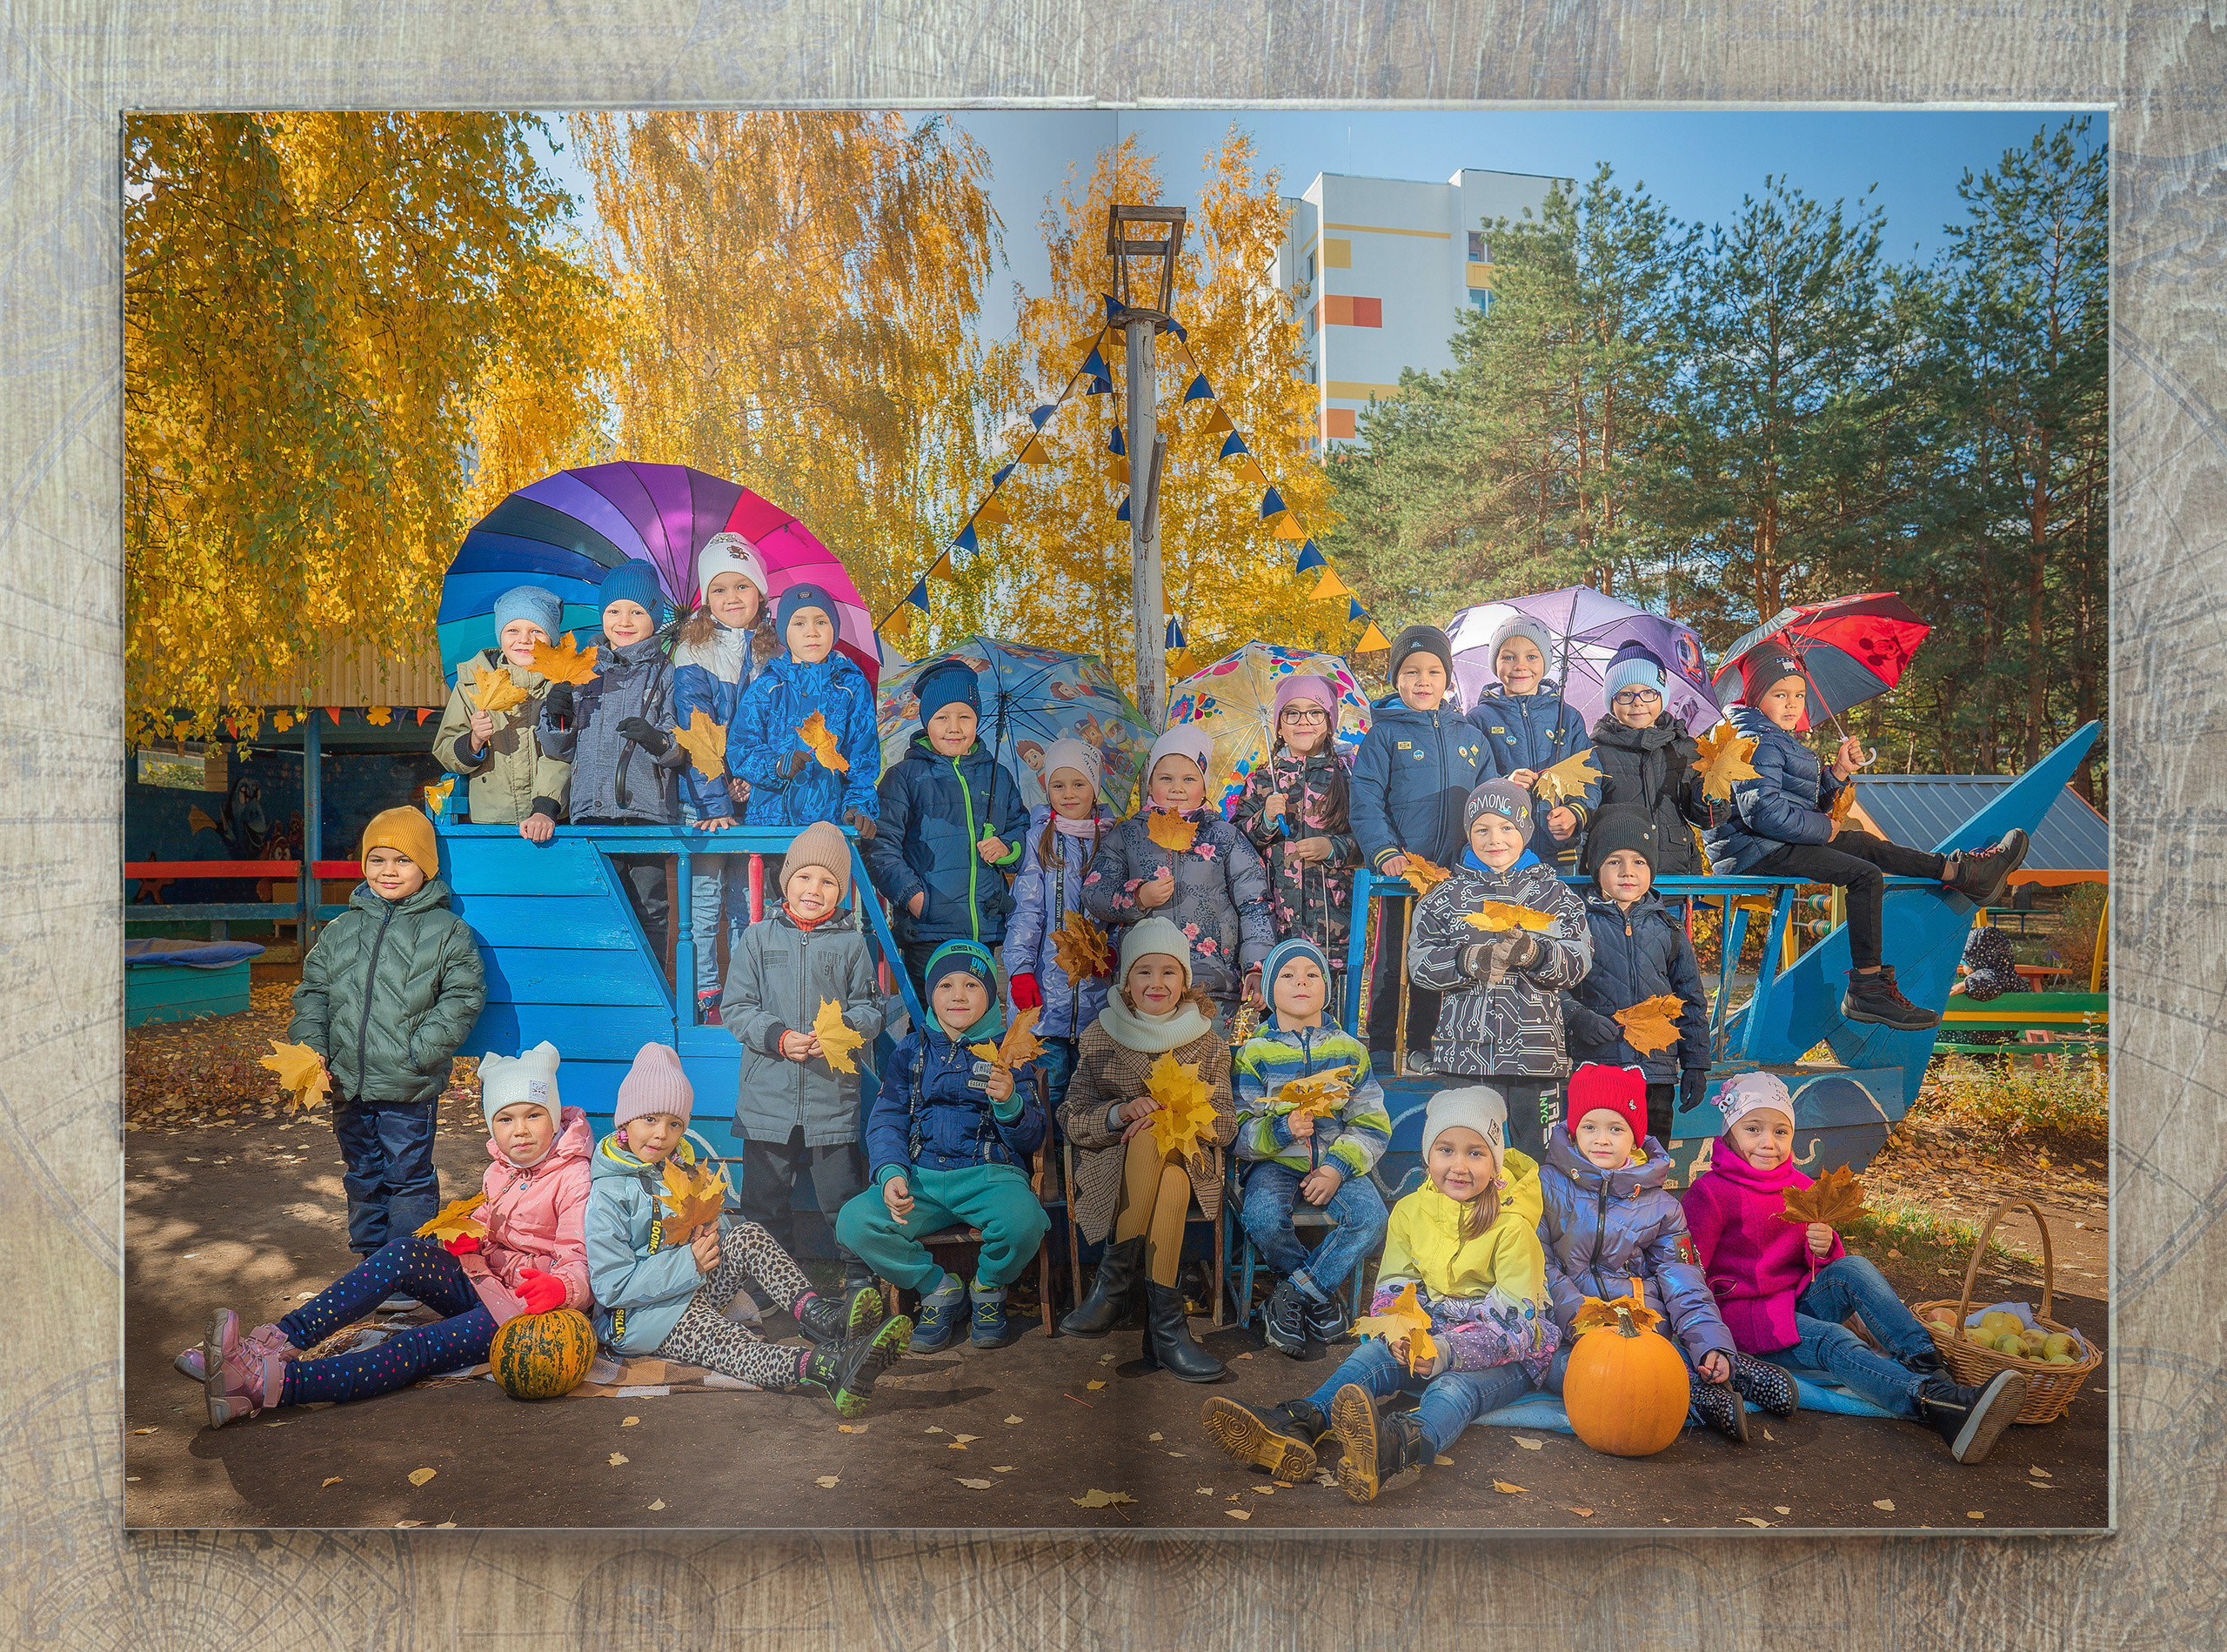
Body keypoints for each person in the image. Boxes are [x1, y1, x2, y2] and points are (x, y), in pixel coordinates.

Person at [200, 1040, 587, 1426]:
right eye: (506, 1119)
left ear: (553, 1116)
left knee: (419, 1345)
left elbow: (583, 1258)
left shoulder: (573, 1178)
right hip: (484, 1280)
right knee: (402, 1251)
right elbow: (487, 1220)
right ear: (491, 1124)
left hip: (526, 1311)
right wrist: (472, 1236)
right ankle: (275, 1343)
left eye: (533, 1115)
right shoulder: (500, 1169)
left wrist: (561, 1288)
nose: (520, 1130)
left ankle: (272, 1385)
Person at [1200, 1086, 1558, 1501]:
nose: (1459, 1166)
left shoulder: (1512, 1228)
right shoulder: (1408, 1211)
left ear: (1495, 1162)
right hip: (1428, 1334)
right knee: (1371, 1356)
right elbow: (1395, 1285)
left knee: (1453, 1389)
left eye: (1476, 1153)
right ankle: (1303, 1422)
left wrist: (1446, 1352)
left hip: (1502, 1351)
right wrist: (1399, 1330)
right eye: (1446, 1149)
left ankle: (1396, 1447)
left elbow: (1513, 1327)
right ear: (1427, 1156)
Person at [1682, 1072, 2028, 1463]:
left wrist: (1825, 1248)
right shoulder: (1710, 1194)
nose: (1768, 1142)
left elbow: (1821, 1267)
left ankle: (1937, 1374)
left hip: (1793, 1300)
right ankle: (1935, 1405)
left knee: (1855, 1269)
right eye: (1753, 1129)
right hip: (1746, 1319)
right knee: (1832, 1340)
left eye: (1781, 1131)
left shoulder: (1798, 1186)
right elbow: (1689, 1274)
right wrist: (1705, 1339)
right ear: (1729, 1134)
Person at [1700, 652, 2028, 1032]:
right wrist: (1825, 829)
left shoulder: (1775, 738)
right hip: (1752, 851)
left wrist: (1838, 771)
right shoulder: (1755, 740)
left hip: (1773, 843)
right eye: (1779, 694)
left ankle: (1965, 873)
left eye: (1799, 695)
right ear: (1757, 697)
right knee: (1865, 875)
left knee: (1866, 844)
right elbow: (1764, 814)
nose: (1792, 704)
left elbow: (1801, 806)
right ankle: (1867, 988)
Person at [585, 1043, 910, 1417]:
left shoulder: (676, 1168)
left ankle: (825, 1319)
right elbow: (611, 1287)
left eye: (675, 1124)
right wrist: (688, 1263)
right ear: (624, 1121)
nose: (662, 1135)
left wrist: (708, 1234)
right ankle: (828, 1369)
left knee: (747, 1235)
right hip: (643, 1320)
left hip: (690, 1286)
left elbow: (708, 1238)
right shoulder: (608, 1194)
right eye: (650, 1120)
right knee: (728, 1341)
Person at [1535, 1063, 1798, 1443]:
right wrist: (1581, 1315)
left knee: (1671, 1343)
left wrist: (1709, 1339)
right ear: (1574, 1130)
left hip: (1642, 1318)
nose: (1602, 1139)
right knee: (1583, 1372)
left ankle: (1721, 1363)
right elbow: (1541, 1262)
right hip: (1573, 1322)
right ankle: (1694, 1393)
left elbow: (1684, 1277)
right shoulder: (1546, 1186)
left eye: (1616, 1128)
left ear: (1636, 1137)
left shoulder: (1660, 1205)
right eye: (1590, 1126)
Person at [288, 807, 485, 1270]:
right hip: (346, 1080)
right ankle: (371, 1262)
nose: (389, 871)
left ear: (426, 868)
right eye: (377, 860)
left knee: (407, 1175)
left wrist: (421, 1052)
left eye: (402, 860)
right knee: (362, 1173)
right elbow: (313, 992)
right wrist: (313, 1047)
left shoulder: (448, 931)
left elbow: (463, 995)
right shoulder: (340, 930)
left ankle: (407, 1266)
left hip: (407, 1083)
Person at [834, 941, 1049, 1353]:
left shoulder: (1009, 1052)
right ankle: (938, 1289)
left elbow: (1031, 1137)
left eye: (971, 984)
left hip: (989, 1176)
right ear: (931, 994)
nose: (958, 995)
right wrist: (892, 1172)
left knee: (1025, 1221)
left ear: (990, 995)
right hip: (922, 1179)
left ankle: (988, 1287)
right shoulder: (910, 1052)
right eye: (946, 985)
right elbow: (887, 1119)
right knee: (854, 1221)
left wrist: (1010, 1103)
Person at [1056, 920, 1237, 1381]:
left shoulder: (1209, 1042)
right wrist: (1117, 1112)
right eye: (1144, 971)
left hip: (1187, 1161)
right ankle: (1168, 1334)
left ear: (1185, 982)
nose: (1156, 983)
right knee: (1150, 1137)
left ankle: (1111, 1290)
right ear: (1126, 982)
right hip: (1112, 1167)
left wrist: (1186, 1114)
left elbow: (1226, 1123)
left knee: (1169, 1155)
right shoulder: (1102, 1035)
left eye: (1169, 972)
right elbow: (1072, 1115)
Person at [719, 820, 883, 1296]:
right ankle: (776, 1287)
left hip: (831, 1096)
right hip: (766, 1098)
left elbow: (870, 1009)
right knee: (764, 1201)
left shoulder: (852, 943)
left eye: (828, 881)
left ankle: (858, 1280)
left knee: (843, 1197)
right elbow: (737, 1008)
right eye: (805, 877)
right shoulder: (757, 938)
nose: (815, 890)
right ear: (785, 880)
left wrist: (842, 1031)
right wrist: (777, 1037)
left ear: (841, 890)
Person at [1407, 780, 1592, 1160]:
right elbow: (1420, 965)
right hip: (1467, 1056)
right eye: (1482, 829)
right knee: (1469, 1159)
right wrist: (1469, 961)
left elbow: (1579, 962)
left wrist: (1535, 953)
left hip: (1538, 1058)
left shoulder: (1555, 895)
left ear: (1524, 829)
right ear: (1468, 832)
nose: (1495, 840)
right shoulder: (1444, 897)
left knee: (1539, 1163)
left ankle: (1536, 1221)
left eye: (1507, 828)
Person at [1233, 938, 1391, 1358]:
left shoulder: (1350, 1050)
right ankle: (1319, 1295)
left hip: (1337, 1161)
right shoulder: (1254, 1053)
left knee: (1372, 1218)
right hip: (1274, 1163)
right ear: (1269, 991)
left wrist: (1338, 1167)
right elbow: (1239, 1128)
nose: (1300, 982)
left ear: (1327, 987)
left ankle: (1291, 1297)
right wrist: (1282, 1129)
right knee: (1263, 1216)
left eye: (1312, 974)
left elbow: (1371, 1123)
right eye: (1287, 975)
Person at [1349, 624, 1491, 1073]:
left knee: (1440, 960)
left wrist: (1481, 855)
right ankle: (1380, 1043)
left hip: (1455, 876)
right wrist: (1385, 851)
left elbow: (1487, 801)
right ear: (1396, 680)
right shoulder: (1384, 737)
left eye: (1433, 671)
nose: (1423, 681)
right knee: (1393, 961)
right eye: (1411, 672)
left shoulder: (1470, 737)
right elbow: (1367, 799)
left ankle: (1423, 1044)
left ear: (1448, 679)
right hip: (1403, 873)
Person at [1080, 726, 1274, 1030]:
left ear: (1205, 786)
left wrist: (1255, 967)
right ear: (1150, 784)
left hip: (1211, 982)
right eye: (1165, 778)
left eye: (1189, 779)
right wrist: (1138, 897)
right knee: (1148, 1069)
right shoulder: (1129, 835)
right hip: (1144, 984)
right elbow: (1095, 892)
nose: (1177, 788)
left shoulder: (1224, 837)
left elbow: (1255, 904)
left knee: (1206, 1068)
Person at [536, 559, 689, 945]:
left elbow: (682, 745)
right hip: (591, 810)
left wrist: (657, 741)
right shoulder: (582, 672)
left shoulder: (668, 674)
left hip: (646, 813)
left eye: (637, 611)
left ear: (654, 617)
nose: (624, 620)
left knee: (650, 909)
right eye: (614, 610)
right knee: (599, 905)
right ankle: (606, 998)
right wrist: (557, 717)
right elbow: (558, 749)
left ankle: (654, 999)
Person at [866, 656, 1030, 1002]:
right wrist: (914, 897)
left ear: (977, 721)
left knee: (978, 1022)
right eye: (942, 718)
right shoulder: (905, 778)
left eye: (964, 717)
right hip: (929, 929)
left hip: (984, 929)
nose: (954, 727)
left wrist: (1007, 848)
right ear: (927, 722)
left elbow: (1021, 828)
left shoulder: (997, 776)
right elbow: (881, 848)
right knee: (931, 1023)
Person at [1558, 805, 1712, 1143]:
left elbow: (1691, 1000)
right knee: (1599, 1163)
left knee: (1651, 1161)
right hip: (1597, 1071)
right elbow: (1553, 986)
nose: (1628, 871)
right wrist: (1576, 1017)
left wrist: (1696, 1064)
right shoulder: (1576, 925)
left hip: (1655, 1073)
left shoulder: (1669, 929)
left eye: (1639, 862)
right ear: (1596, 868)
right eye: (1615, 861)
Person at [671, 533, 776, 1021]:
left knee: (747, 899)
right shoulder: (694, 652)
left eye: (742, 587)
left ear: (760, 593)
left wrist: (753, 780)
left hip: (752, 798)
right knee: (706, 898)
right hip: (704, 797)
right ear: (706, 599)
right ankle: (704, 991)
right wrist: (716, 803)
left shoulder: (775, 655)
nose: (732, 598)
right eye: (719, 590)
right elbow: (697, 731)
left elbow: (777, 732)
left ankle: (742, 994)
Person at [1001, 737, 1120, 1116]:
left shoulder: (1113, 840)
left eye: (1078, 784)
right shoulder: (1040, 839)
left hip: (1097, 1002)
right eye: (1058, 785)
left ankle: (1084, 1174)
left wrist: (1114, 951)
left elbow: (1121, 909)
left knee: (1090, 1101)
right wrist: (1019, 971)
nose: (1068, 794)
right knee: (1046, 1099)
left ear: (1095, 786)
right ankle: (1047, 1174)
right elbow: (1027, 912)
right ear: (1046, 788)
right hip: (1044, 1004)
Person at [1232, 675, 1361, 993]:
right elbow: (1235, 843)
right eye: (1291, 713)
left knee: (1326, 1016)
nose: (1303, 721)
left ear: (1330, 722)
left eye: (1315, 712)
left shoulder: (1348, 775)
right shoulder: (1262, 779)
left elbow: (1369, 837)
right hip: (1275, 925)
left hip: (1332, 927)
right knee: (1278, 1009)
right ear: (1278, 725)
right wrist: (1265, 819)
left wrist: (1332, 848)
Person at [732, 583, 881, 836]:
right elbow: (741, 748)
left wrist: (858, 807)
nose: (811, 632)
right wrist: (776, 766)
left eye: (821, 622)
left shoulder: (851, 687)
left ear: (834, 628)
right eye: (799, 623)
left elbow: (862, 757)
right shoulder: (768, 685)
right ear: (784, 633)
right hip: (770, 825)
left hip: (828, 825)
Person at [429, 582, 571, 839]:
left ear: (552, 637)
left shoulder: (563, 687)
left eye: (537, 631)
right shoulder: (473, 683)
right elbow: (445, 748)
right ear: (500, 635)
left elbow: (564, 753)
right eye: (513, 629)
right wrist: (474, 741)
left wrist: (545, 808)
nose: (524, 639)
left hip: (553, 821)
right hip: (490, 821)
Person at [1472, 614, 1598, 873]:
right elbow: (1470, 779)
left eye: (1532, 657)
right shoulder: (1478, 719)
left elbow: (1590, 776)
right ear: (1495, 663)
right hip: (1502, 855)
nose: (1520, 666)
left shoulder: (1568, 717)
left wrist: (1575, 813)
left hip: (1559, 854)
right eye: (1508, 657)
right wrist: (1504, 784)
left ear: (1546, 663)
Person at [1584, 641, 1708, 878]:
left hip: (1673, 876)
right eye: (1625, 695)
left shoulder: (1684, 749)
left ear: (1662, 696)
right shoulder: (1596, 753)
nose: (1637, 702)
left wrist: (1710, 799)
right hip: (1619, 881)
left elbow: (1705, 818)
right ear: (1611, 702)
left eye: (1648, 692)